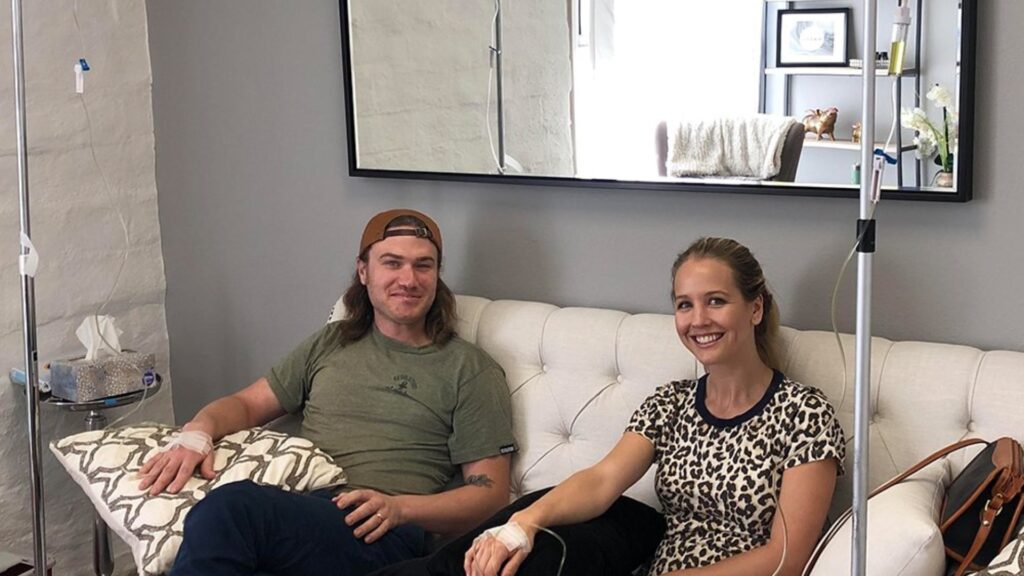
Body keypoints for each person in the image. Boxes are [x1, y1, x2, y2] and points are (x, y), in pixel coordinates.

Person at [138, 208, 517, 576]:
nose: (409, 279)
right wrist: (198, 432)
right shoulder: (333, 342)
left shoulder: (469, 369)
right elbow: (248, 404)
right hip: (306, 511)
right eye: (392, 263)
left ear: (437, 276)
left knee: (230, 508)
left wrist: (400, 509)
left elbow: (490, 494)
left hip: (381, 529)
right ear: (363, 271)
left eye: (423, 265)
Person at [464, 237, 845, 576]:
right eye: (684, 305)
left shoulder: (803, 413)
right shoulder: (670, 403)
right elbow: (601, 481)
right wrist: (524, 523)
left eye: (716, 301)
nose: (698, 320)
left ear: (755, 309)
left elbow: (787, 558)